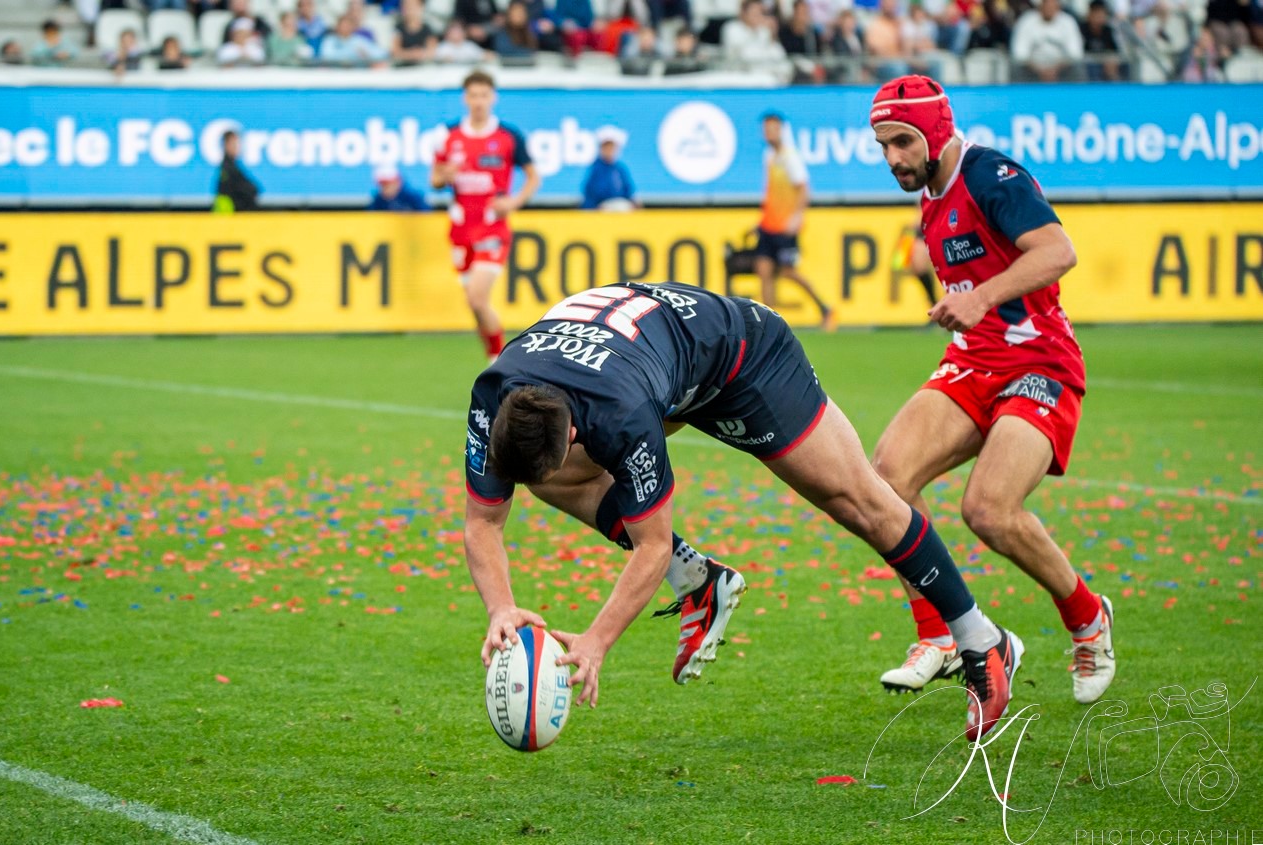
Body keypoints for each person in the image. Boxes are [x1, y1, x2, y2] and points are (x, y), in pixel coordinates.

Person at [465, 282, 1023, 741]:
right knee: (552, 482)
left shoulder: (620, 415)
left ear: (575, 432)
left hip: (743, 356)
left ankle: (981, 639)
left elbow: (651, 544)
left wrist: (596, 640)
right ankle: (700, 583)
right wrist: (500, 609)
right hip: (661, 361)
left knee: (861, 502)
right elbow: (482, 522)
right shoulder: (493, 393)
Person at [868, 75, 1115, 706]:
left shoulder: (990, 175)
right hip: (974, 362)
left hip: (1041, 362)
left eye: (902, 141)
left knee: (989, 510)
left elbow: (1058, 251)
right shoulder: (928, 192)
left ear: (936, 131)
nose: (893, 157)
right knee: (885, 480)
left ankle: (1088, 618)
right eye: (883, 145)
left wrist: (982, 295)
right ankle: (943, 637)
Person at [431, 71, 541, 361]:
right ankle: (492, 359)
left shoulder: (508, 135)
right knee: (475, 306)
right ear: (465, 99)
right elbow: (435, 180)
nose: (478, 102)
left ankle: (500, 363)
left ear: (492, 98)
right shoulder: (448, 134)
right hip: (460, 230)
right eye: (473, 95)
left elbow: (533, 176)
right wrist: (445, 175)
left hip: (492, 229)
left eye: (483, 95)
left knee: (477, 297)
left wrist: (514, 201)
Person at [754, 111, 832, 328]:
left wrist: (796, 217)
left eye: (772, 128)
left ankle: (824, 308)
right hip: (769, 225)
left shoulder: (790, 157)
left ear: (781, 130)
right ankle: (768, 323)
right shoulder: (769, 156)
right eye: (766, 129)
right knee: (764, 270)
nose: (768, 132)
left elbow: (804, 189)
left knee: (789, 272)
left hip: (785, 228)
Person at [1010, 0, 1085, 82]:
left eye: (1053, 5)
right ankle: (1020, 94)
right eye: (1047, 5)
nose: (1049, 8)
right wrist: (1040, 71)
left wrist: (1055, 69)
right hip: (1032, 70)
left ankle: (1077, 94)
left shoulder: (1068, 22)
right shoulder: (1026, 21)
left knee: (1077, 68)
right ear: (1041, 6)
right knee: (1017, 68)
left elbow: (1075, 54)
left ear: (1058, 7)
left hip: (1061, 70)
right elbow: (1019, 54)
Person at [580, 127, 638, 210]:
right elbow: (591, 192)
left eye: (612, 147)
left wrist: (633, 201)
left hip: (621, 204)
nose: (609, 150)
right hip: (602, 207)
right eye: (606, 147)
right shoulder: (596, 168)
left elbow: (628, 189)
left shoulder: (620, 168)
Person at [214, 129, 261, 213]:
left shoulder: (232, 166)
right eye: (234, 144)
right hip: (230, 217)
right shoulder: (228, 169)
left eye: (237, 144)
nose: (237, 147)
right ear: (226, 145)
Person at [392, 0, 439, 65]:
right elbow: (395, 51)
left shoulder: (427, 28)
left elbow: (432, 51)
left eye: (413, 6)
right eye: (407, 6)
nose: (410, 9)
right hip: (403, 66)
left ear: (420, 7)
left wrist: (419, 54)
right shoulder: (398, 28)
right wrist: (412, 54)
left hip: (423, 66)